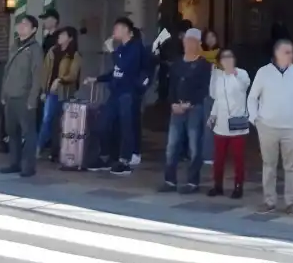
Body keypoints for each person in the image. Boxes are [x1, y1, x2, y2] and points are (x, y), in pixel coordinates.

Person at [247, 37, 293, 212]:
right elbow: (252, 97)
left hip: (291, 127)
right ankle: (269, 200)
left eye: (292, 52)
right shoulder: (263, 72)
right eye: (286, 52)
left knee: (291, 166)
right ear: (277, 53)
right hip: (267, 126)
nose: (291, 55)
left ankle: (291, 202)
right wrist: (255, 119)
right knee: (269, 165)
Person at [162, 28, 212, 193]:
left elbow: (203, 88)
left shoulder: (204, 64)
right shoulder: (177, 63)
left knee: (194, 145)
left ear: (198, 43)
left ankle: (192, 181)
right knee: (172, 145)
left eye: (191, 41)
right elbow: (172, 87)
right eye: (185, 41)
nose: (187, 44)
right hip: (176, 109)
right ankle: (170, 180)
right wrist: (173, 103)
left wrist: (189, 103)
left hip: (194, 109)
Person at [99, 17, 151, 173]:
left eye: (116, 28)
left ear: (126, 30)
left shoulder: (135, 48)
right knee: (104, 123)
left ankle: (124, 160)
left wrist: (111, 51)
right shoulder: (121, 48)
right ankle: (106, 156)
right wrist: (98, 79)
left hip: (128, 92)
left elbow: (124, 67)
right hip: (116, 91)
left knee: (126, 126)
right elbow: (115, 71)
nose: (113, 32)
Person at [0, 14, 44, 177]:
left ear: (34, 30)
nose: (21, 27)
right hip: (10, 95)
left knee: (28, 133)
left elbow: (37, 75)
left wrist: (33, 99)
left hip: (24, 97)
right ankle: (14, 163)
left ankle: (28, 167)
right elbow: (7, 71)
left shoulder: (35, 49)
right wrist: (3, 92)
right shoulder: (15, 46)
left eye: (25, 24)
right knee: (12, 132)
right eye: (20, 24)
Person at [207, 47, 252, 198]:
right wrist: (212, 116)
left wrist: (234, 74)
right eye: (224, 58)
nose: (227, 60)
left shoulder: (241, 73)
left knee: (238, 158)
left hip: (237, 123)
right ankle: (217, 185)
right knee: (218, 158)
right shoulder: (219, 77)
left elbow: (245, 85)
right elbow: (216, 98)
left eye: (230, 57)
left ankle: (238, 186)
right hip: (221, 123)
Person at [39, 27, 82, 159]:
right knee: (47, 119)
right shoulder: (52, 52)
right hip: (51, 92)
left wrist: (60, 80)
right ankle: (38, 147)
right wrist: (43, 90)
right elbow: (45, 72)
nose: (59, 37)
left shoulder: (74, 55)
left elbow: (73, 75)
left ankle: (56, 151)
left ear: (70, 38)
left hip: (65, 92)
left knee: (62, 123)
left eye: (63, 35)